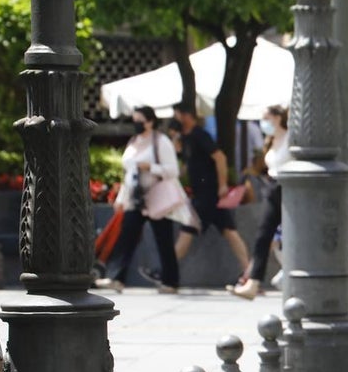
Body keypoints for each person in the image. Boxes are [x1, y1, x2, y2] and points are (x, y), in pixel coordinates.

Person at [140, 102, 250, 283]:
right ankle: (249, 273)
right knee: (229, 231)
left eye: (176, 115)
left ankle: (165, 271)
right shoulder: (187, 138)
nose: (175, 119)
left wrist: (222, 185)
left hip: (209, 194)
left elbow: (220, 158)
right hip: (205, 195)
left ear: (186, 115)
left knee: (188, 230)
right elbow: (187, 166)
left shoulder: (200, 135)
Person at [94, 106, 182, 294]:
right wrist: (121, 198)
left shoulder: (161, 141)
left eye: (139, 121)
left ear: (150, 122)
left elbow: (173, 171)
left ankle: (171, 281)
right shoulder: (133, 142)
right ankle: (116, 278)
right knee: (126, 237)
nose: (136, 124)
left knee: (164, 239)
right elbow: (128, 174)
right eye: (133, 120)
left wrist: (150, 167)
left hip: (156, 197)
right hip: (136, 199)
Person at [228, 105, 290, 300]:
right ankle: (253, 283)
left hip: (288, 188)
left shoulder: (291, 138)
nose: (263, 122)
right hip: (273, 187)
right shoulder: (270, 140)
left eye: (266, 117)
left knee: (287, 237)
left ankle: (288, 277)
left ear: (278, 118)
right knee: (264, 235)